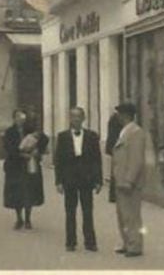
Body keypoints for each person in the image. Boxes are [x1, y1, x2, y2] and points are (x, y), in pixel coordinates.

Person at [54, 107, 103, 252]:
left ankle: (90, 242)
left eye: (79, 117)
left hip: (86, 178)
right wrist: (58, 181)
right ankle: (70, 242)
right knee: (70, 211)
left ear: (84, 119)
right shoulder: (62, 137)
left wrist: (98, 180)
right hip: (69, 178)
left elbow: (97, 159)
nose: (76, 119)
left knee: (87, 211)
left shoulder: (92, 136)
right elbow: (58, 160)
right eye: (73, 117)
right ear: (69, 118)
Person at [112, 102, 147, 258]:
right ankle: (127, 242)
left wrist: (129, 180)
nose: (117, 116)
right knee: (123, 214)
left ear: (125, 115)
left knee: (132, 215)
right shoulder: (125, 131)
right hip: (121, 179)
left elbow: (136, 159)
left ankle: (135, 246)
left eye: (119, 114)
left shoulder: (136, 132)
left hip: (128, 181)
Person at [104, 110, 122, 204]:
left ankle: (113, 195)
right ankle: (114, 195)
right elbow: (114, 135)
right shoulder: (116, 119)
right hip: (117, 147)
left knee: (115, 171)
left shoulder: (114, 118)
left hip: (114, 147)